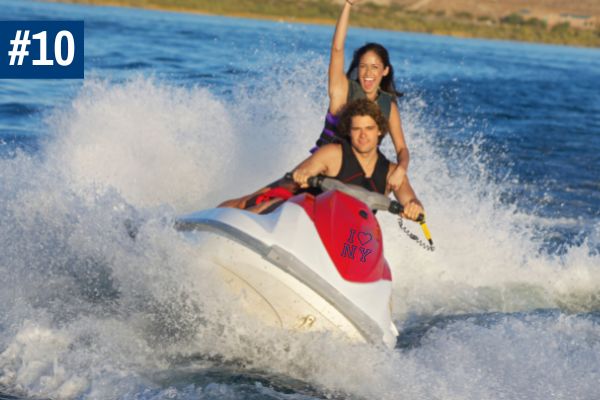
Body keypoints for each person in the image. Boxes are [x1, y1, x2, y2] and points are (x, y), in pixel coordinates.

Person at [240, 99, 424, 220]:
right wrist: (303, 174)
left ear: (379, 131)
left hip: (351, 238)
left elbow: (412, 201)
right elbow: (296, 176)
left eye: (368, 128)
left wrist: (415, 208)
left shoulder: (391, 173)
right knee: (252, 206)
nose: (362, 135)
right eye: (356, 129)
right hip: (306, 218)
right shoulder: (333, 153)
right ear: (349, 131)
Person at [315, 0, 410, 191]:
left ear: (385, 71)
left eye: (375, 67)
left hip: (358, 178)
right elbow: (337, 49)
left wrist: (402, 168)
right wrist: (348, 5)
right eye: (363, 66)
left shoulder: (388, 105)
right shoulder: (343, 90)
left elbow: (402, 149)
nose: (368, 72)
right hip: (324, 171)